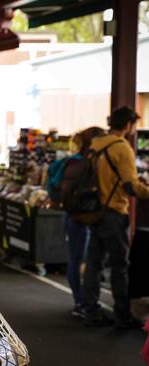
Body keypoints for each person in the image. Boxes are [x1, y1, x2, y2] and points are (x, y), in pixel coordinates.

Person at [82, 106, 149, 329]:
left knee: (94, 263)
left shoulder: (96, 143)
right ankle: (122, 316)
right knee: (120, 266)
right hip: (113, 212)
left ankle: (90, 310)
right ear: (128, 124)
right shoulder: (122, 148)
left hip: (94, 211)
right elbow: (130, 186)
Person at [60, 127, 105, 318]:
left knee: (76, 259)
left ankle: (80, 301)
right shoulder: (91, 163)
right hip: (86, 217)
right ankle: (82, 302)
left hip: (72, 216)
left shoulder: (72, 161)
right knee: (84, 261)